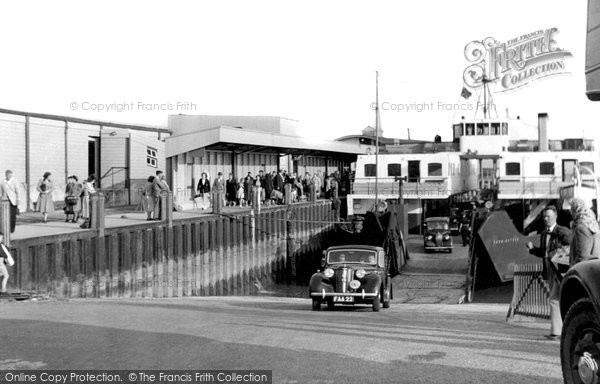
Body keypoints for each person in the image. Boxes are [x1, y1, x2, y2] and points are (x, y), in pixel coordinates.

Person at [526, 205, 571, 340]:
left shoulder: (562, 231)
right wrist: (533, 249)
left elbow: (569, 247)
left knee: (555, 299)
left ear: (555, 217)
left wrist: (555, 253)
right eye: (544, 216)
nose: (546, 219)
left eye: (549, 217)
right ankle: (558, 330)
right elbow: (543, 253)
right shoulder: (544, 233)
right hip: (550, 269)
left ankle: (558, 331)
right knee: (555, 299)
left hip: (561, 270)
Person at [568, 198, 600, 266]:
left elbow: (583, 257)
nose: (570, 212)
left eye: (571, 209)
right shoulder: (593, 225)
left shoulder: (581, 228)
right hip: (594, 268)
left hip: (583, 271)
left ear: (575, 210)